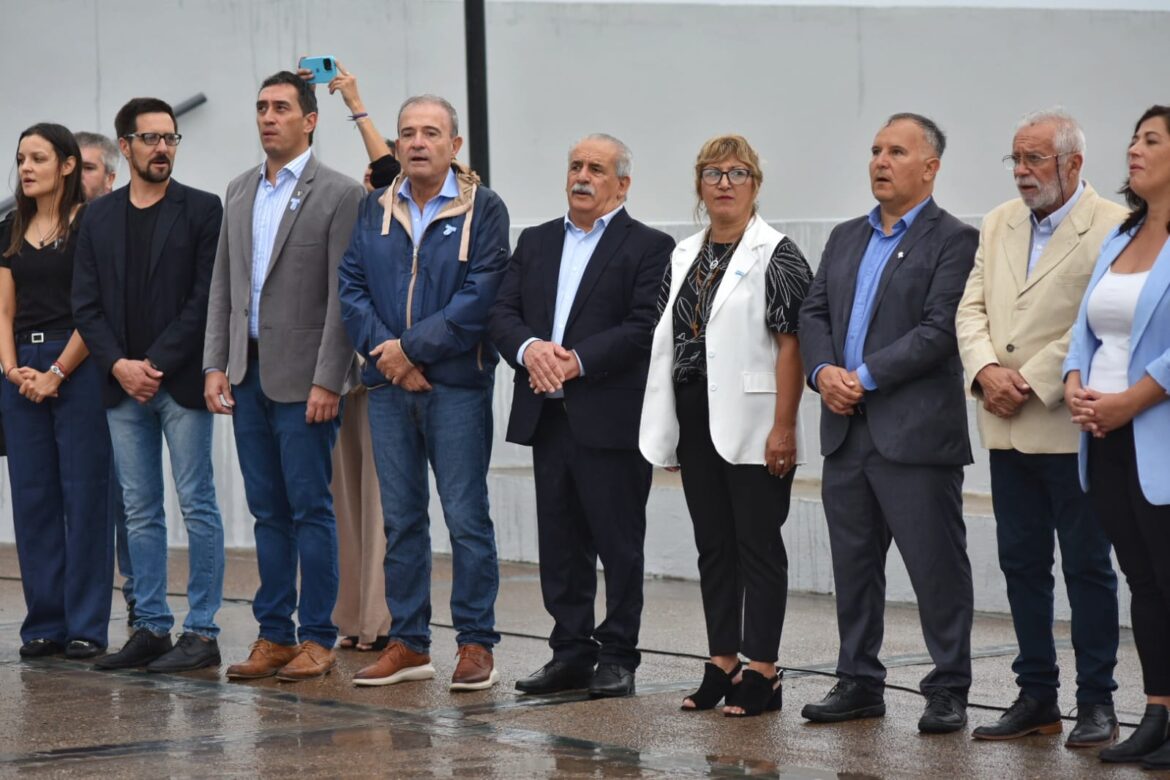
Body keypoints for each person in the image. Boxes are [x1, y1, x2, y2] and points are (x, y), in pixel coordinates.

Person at [798, 113, 979, 734]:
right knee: (853, 566)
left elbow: (938, 330)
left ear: (930, 167)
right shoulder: (847, 236)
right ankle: (858, 681)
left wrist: (862, 377)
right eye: (876, 150)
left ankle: (949, 685)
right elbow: (814, 309)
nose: (880, 161)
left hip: (914, 435)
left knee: (936, 566)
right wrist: (823, 372)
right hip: (846, 432)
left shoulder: (956, 239)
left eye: (897, 151)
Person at [956, 109, 1126, 746]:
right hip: (1004, 428)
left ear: (1073, 164)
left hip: (1067, 426)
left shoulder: (1111, 224)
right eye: (1016, 160)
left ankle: (1098, 701)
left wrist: (1026, 379)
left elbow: (1093, 318)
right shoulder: (999, 221)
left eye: (1035, 160)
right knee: (1021, 564)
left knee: (1087, 567)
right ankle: (1036, 697)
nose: (1022, 172)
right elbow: (970, 307)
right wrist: (985, 370)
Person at [491, 134, 673, 699]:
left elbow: (646, 325)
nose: (583, 176)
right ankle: (570, 652)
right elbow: (502, 311)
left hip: (611, 418)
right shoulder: (538, 241)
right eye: (575, 165)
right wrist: (530, 350)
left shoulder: (650, 246)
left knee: (618, 544)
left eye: (596, 168)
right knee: (561, 544)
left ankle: (618, 654)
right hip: (548, 417)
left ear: (623, 183)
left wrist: (575, 362)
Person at [338, 94, 510, 691]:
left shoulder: (483, 209)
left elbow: (481, 296)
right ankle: (409, 644)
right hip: (388, 389)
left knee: (466, 517)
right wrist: (391, 356)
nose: (416, 142)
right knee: (402, 520)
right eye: (407, 132)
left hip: (455, 387)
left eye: (430, 133)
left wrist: (410, 351)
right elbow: (351, 287)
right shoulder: (373, 209)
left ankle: (475, 645)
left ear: (454, 146)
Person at [639, 135, 810, 715]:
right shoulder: (682, 255)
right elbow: (665, 343)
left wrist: (784, 427)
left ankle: (764, 669)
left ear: (755, 185)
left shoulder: (778, 253)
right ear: (699, 186)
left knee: (757, 544)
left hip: (757, 418)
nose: (725, 183)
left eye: (738, 173)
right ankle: (723, 663)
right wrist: (667, 426)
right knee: (713, 546)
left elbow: (793, 346)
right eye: (713, 173)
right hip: (694, 417)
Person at [203, 71, 363, 682]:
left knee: (309, 509)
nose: (268, 117)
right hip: (246, 374)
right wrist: (215, 363)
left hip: (306, 381)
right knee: (267, 511)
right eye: (262, 107)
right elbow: (225, 286)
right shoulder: (240, 189)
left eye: (281, 108)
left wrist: (331, 378)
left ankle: (318, 637)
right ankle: (273, 635)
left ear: (310, 120)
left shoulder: (340, 194)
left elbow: (344, 296)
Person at [73, 98, 226, 673]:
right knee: (139, 509)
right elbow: (84, 305)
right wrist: (118, 366)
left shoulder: (202, 209)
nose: (163, 148)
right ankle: (152, 628)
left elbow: (204, 298)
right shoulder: (98, 217)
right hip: (120, 387)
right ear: (127, 146)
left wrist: (151, 364)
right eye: (151, 138)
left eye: (171, 138)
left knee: (197, 504)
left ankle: (203, 632)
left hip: (178, 382)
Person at [1064, 104, 1170, 769]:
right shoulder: (1120, 234)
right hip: (1103, 436)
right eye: (1133, 137)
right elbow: (1087, 326)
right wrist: (1075, 379)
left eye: (1151, 139)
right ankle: (1158, 711)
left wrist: (1134, 398)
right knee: (1143, 580)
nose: (1134, 148)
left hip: (1153, 429)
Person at [0, 123, 112, 659]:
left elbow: (95, 309)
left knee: (86, 495)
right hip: (23, 367)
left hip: (78, 363)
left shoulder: (93, 224)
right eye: (22, 158)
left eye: (38, 158)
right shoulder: (9, 228)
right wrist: (11, 367)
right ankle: (44, 622)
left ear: (67, 165)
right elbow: (2, 309)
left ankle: (87, 624)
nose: (26, 168)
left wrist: (58, 373)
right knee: (34, 497)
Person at [302, 62, 395, 652]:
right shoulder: (357, 215)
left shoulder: (393, 208)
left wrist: (357, 103)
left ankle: (378, 620)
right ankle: (351, 620)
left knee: (379, 506)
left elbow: (387, 169)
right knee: (344, 502)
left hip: (385, 372)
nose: (370, 178)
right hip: (347, 372)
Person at [74, 129, 135, 625]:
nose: (77, 176)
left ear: (112, 178)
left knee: (128, 498)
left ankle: (141, 603)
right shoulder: (39, 229)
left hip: (114, 377)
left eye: (89, 167)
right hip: (62, 383)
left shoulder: (122, 227)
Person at [75, 131, 118, 203]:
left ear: (109, 179)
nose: (77, 174)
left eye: (88, 168)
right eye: (71, 166)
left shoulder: (124, 213)